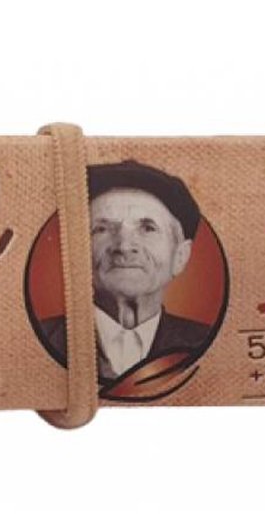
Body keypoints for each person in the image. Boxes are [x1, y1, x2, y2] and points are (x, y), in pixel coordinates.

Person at [40, 160, 212, 380]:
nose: (123, 246)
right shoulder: (38, 341)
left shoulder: (207, 343)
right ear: (77, 253)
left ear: (180, 256)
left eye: (147, 228)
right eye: (102, 229)